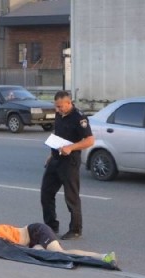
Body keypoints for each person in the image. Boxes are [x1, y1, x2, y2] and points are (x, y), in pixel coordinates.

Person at [41, 90, 94, 240]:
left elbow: (90, 140)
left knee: (71, 197)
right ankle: (51, 226)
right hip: (55, 159)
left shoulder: (79, 118)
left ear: (68, 103)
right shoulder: (59, 114)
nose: (57, 110)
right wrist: (51, 155)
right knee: (46, 193)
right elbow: (58, 135)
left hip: (69, 162)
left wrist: (71, 148)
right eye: (56, 107)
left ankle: (76, 229)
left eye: (60, 107)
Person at [0, 223, 117, 268]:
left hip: (37, 232)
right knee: (41, 253)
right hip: (33, 239)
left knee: (61, 253)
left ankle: (103, 256)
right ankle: (101, 257)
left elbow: (15, 247)